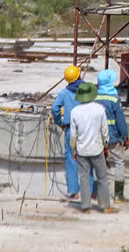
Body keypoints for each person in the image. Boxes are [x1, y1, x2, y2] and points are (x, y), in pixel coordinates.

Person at [69, 82, 117, 214]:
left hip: (81, 149)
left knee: (84, 178)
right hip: (97, 148)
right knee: (102, 178)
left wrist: (74, 150)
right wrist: (105, 145)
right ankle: (105, 205)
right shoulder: (99, 109)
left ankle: (85, 206)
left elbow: (73, 135)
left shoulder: (75, 111)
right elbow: (104, 131)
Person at [95, 68, 129, 202]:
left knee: (99, 163)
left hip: (98, 137)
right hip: (113, 136)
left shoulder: (95, 98)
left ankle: (98, 193)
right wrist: (125, 136)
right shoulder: (114, 99)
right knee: (119, 162)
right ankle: (118, 195)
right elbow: (120, 121)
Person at [52, 65, 84, 200]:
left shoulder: (64, 93)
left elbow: (55, 108)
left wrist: (60, 122)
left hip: (71, 130)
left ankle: (74, 191)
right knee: (90, 159)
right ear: (79, 76)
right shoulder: (87, 90)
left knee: (72, 160)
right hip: (87, 130)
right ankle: (91, 191)